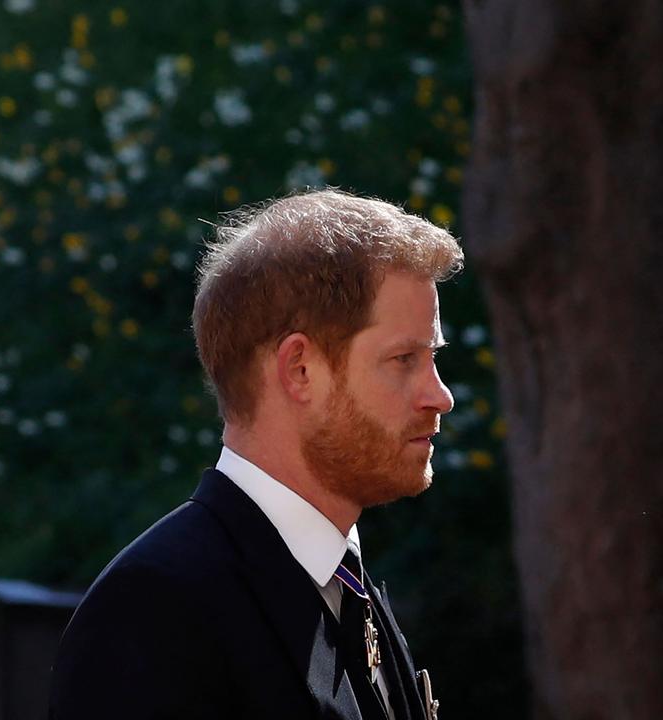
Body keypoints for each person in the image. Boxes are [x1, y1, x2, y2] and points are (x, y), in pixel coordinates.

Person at [49, 189, 462, 719]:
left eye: (433, 358)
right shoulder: (157, 608)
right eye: (405, 358)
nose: (440, 395)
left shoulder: (350, 592)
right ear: (300, 370)